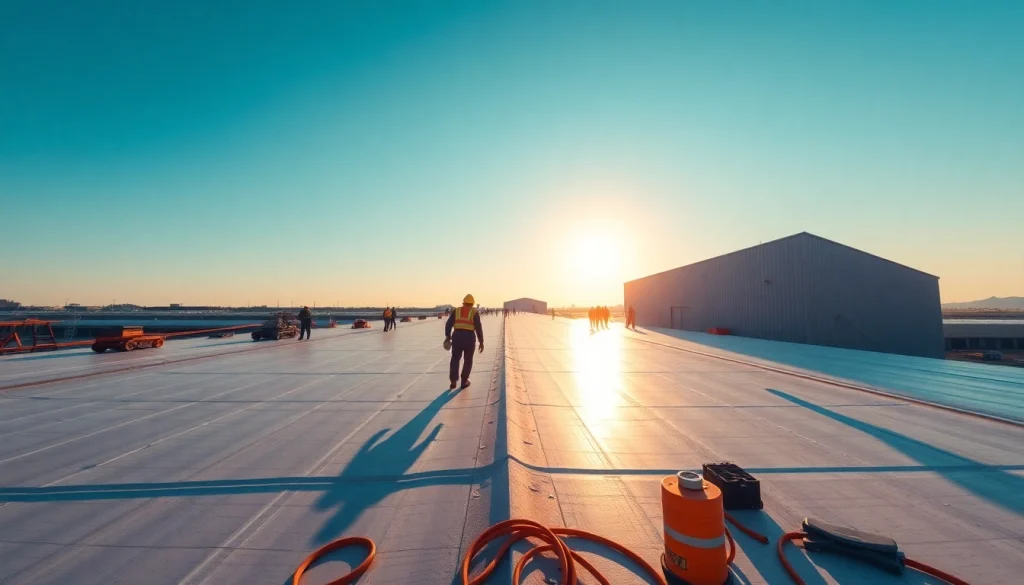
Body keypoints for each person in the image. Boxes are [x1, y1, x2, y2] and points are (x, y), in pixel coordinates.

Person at [445, 294, 484, 390]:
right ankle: (464, 382)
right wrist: (481, 342)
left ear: (464, 302)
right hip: (469, 337)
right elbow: (478, 327)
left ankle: (453, 381)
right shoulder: (474, 312)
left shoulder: (456, 310)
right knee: (468, 360)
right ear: (472, 303)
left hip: (457, 336)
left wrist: (448, 336)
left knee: (455, 358)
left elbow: (448, 324)